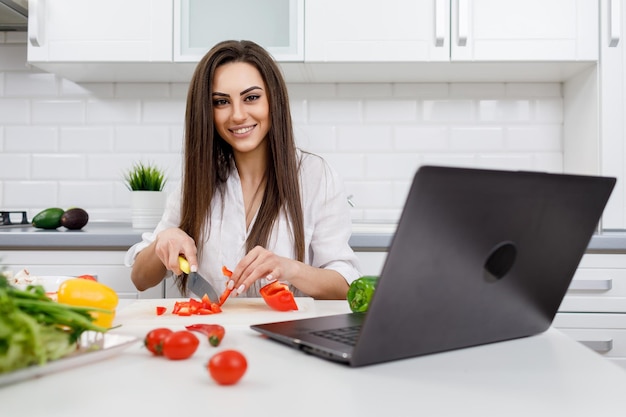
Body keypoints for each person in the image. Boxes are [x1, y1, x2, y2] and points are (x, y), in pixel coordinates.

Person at [125, 40, 361, 300]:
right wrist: (164, 241)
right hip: (211, 333)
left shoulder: (316, 176)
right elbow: (140, 278)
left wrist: (290, 268)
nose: (237, 115)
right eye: (221, 102)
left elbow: (346, 285)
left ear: (273, 100)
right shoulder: (198, 179)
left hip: (285, 335)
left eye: (251, 98)